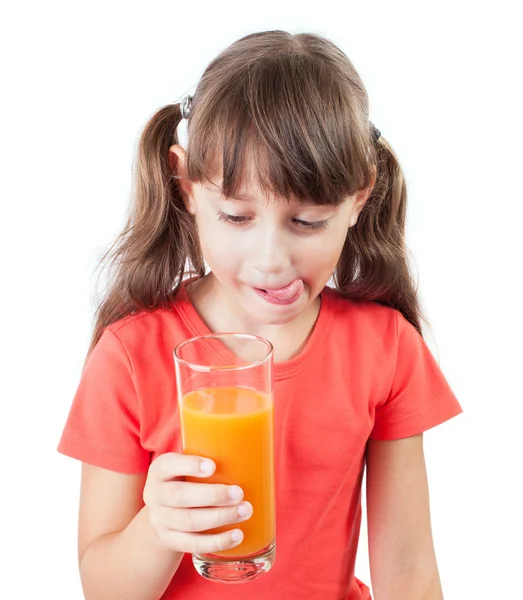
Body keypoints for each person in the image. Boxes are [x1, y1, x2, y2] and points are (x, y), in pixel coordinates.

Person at [57, 30, 462, 600]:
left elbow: (409, 572)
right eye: (236, 216)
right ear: (186, 185)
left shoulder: (384, 349)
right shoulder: (130, 356)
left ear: (359, 198)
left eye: (308, 221)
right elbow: (104, 589)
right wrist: (159, 526)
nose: (271, 261)